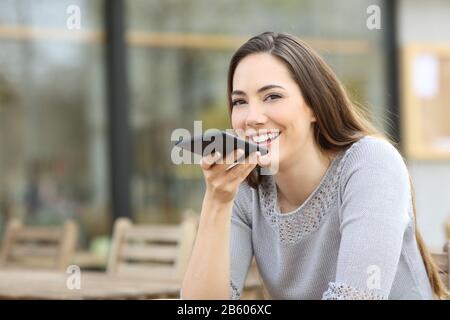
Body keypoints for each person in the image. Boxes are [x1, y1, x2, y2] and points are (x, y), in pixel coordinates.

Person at [181, 32, 447, 299]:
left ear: (314, 106)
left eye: (272, 96)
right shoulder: (246, 187)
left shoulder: (372, 164)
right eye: (240, 101)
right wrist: (217, 202)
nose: (252, 118)